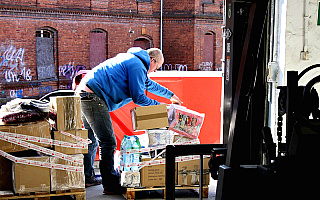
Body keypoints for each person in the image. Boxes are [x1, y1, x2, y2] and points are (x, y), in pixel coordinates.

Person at [76, 47, 182, 194]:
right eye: (157, 67)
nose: (155, 71)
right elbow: (139, 97)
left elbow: (148, 84)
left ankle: (87, 177)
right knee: (108, 142)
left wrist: (170, 95)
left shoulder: (133, 61)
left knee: (92, 139)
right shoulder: (137, 66)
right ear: (152, 60)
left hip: (85, 93)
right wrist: (162, 108)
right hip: (93, 97)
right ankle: (110, 184)